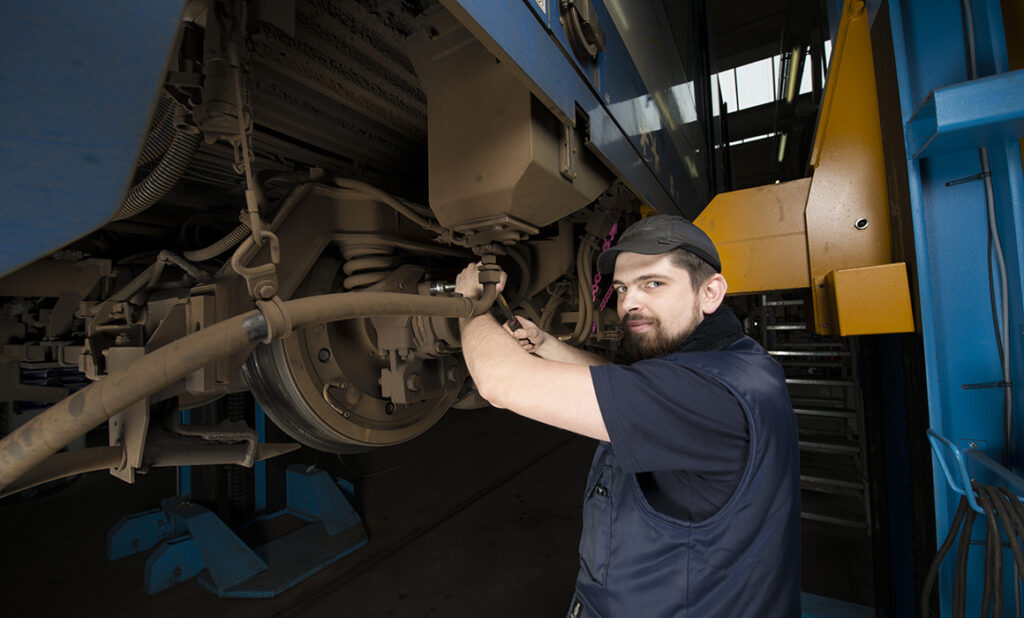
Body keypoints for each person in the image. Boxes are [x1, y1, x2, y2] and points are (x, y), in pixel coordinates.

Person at [455, 215, 800, 617]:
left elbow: (501, 382)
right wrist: (547, 344)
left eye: (653, 283)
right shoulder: (741, 365)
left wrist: (470, 306)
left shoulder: (704, 395)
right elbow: (632, 387)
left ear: (710, 292)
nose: (629, 303)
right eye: (622, 288)